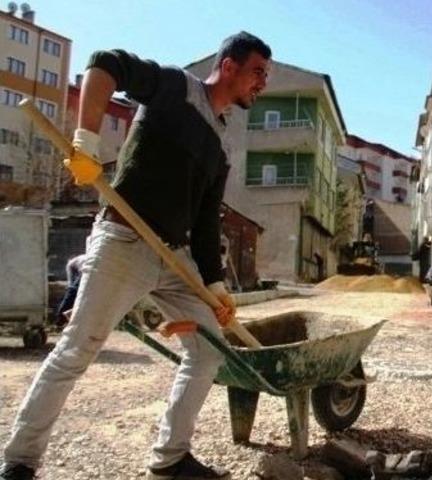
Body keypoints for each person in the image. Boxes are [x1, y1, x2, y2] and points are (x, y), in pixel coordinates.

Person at [1, 32, 271, 480]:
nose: (262, 83)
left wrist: (216, 285)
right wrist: (86, 140)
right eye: (258, 72)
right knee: (77, 350)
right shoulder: (176, 88)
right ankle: (19, 462)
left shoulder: (220, 145)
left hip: (175, 257)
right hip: (125, 240)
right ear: (229, 66)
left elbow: (206, 222)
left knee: (209, 351)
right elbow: (105, 63)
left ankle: (170, 459)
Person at [53, 253, 87, 328]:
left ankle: (60, 319)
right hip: (91, 270)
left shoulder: (70, 263)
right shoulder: (81, 258)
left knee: (71, 295)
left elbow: (70, 278)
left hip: (85, 271)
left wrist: (70, 287)